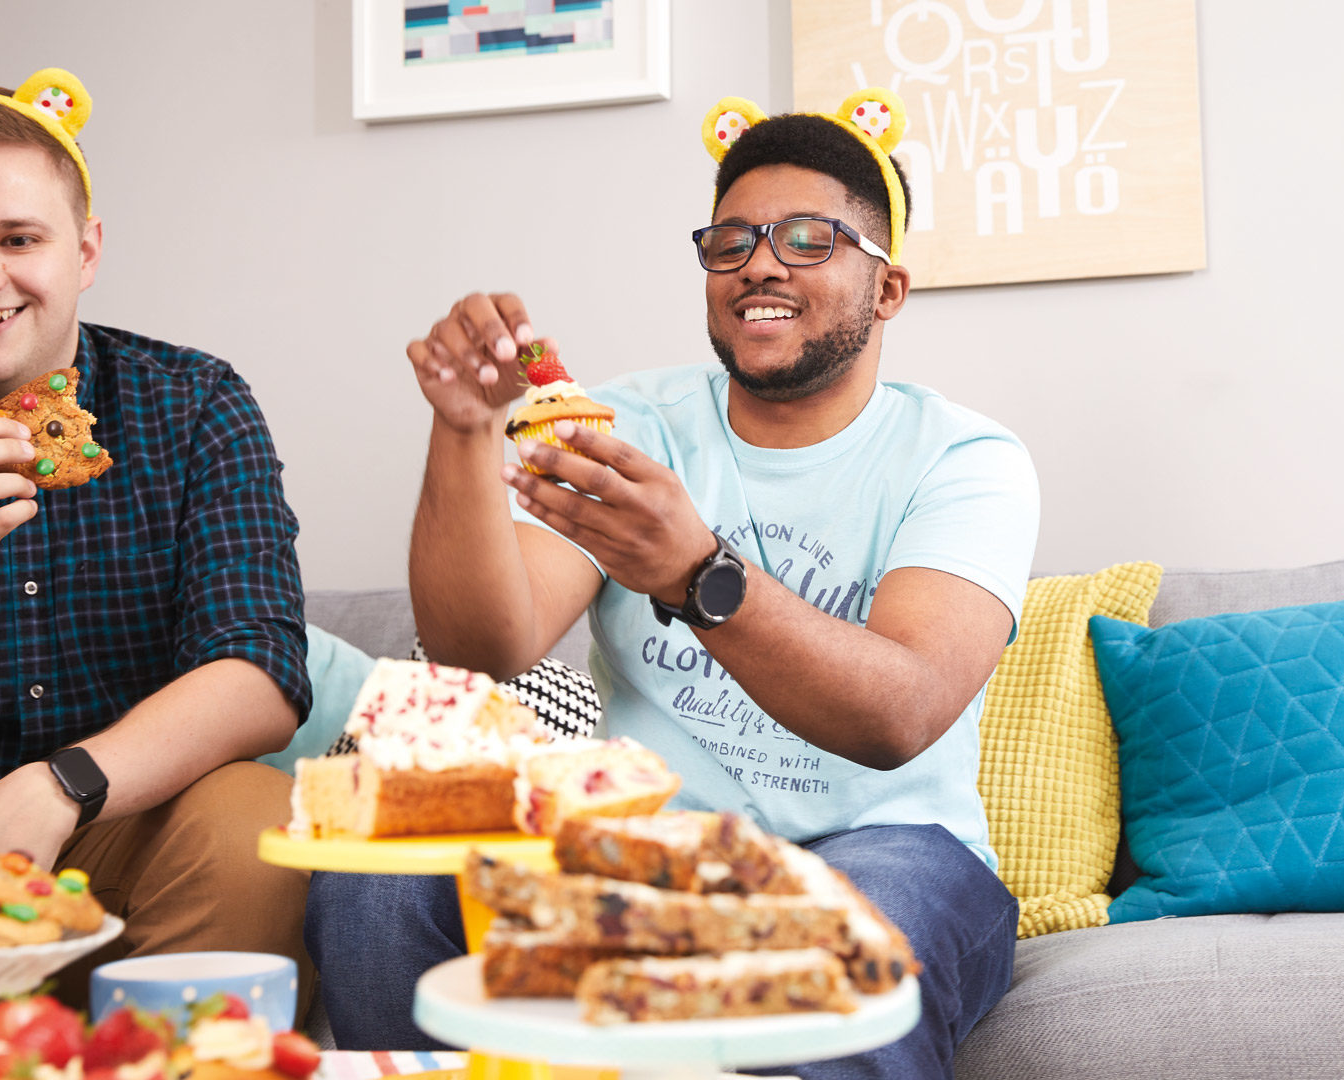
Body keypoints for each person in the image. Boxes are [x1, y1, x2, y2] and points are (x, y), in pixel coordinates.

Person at [306, 89, 1037, 1078]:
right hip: (638, 850)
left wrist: (698, 574)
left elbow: (898, 714)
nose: (762, 263)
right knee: (374, 894)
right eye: (731, 240)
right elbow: (487, 647)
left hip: (890, 848)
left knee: (834, 956)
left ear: (889, 289)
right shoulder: (630, 426)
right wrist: (466, 433)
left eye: (811, 239)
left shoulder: (964, 460)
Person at [0, 67, 315, 1016]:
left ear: (84, 251)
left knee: (254, 821)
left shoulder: (197, 404)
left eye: (20, 238)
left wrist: (60, 786)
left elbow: (260, 672)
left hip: (144, 817)